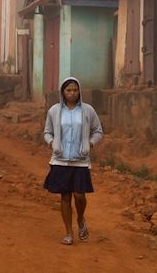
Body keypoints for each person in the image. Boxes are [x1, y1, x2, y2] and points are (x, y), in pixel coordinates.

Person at [43, 77, 103, 246]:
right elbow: (47, 132)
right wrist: (52, 143)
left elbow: (98, 131)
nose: (72, 93)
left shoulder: (87, 110)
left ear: (79, 91)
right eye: (68, 90)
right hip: (60, 160)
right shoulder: (54, 111)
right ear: (63, 92)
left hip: (80, 160)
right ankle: (69, 233)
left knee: (79, 195)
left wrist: (90, 144)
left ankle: (81, 219)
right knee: (65, 197)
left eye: (75, 90)